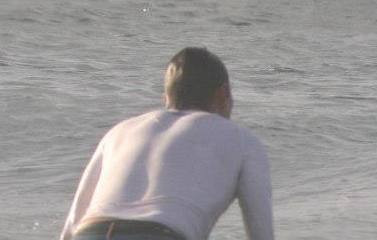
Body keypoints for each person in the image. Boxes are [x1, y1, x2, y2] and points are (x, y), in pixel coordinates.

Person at [60, 47, 274, 240]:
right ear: (224, 93)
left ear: (167, 96)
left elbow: (71, 226)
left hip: (90, 233)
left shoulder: (120, 131)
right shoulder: (243, 140)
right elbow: (261, 235)